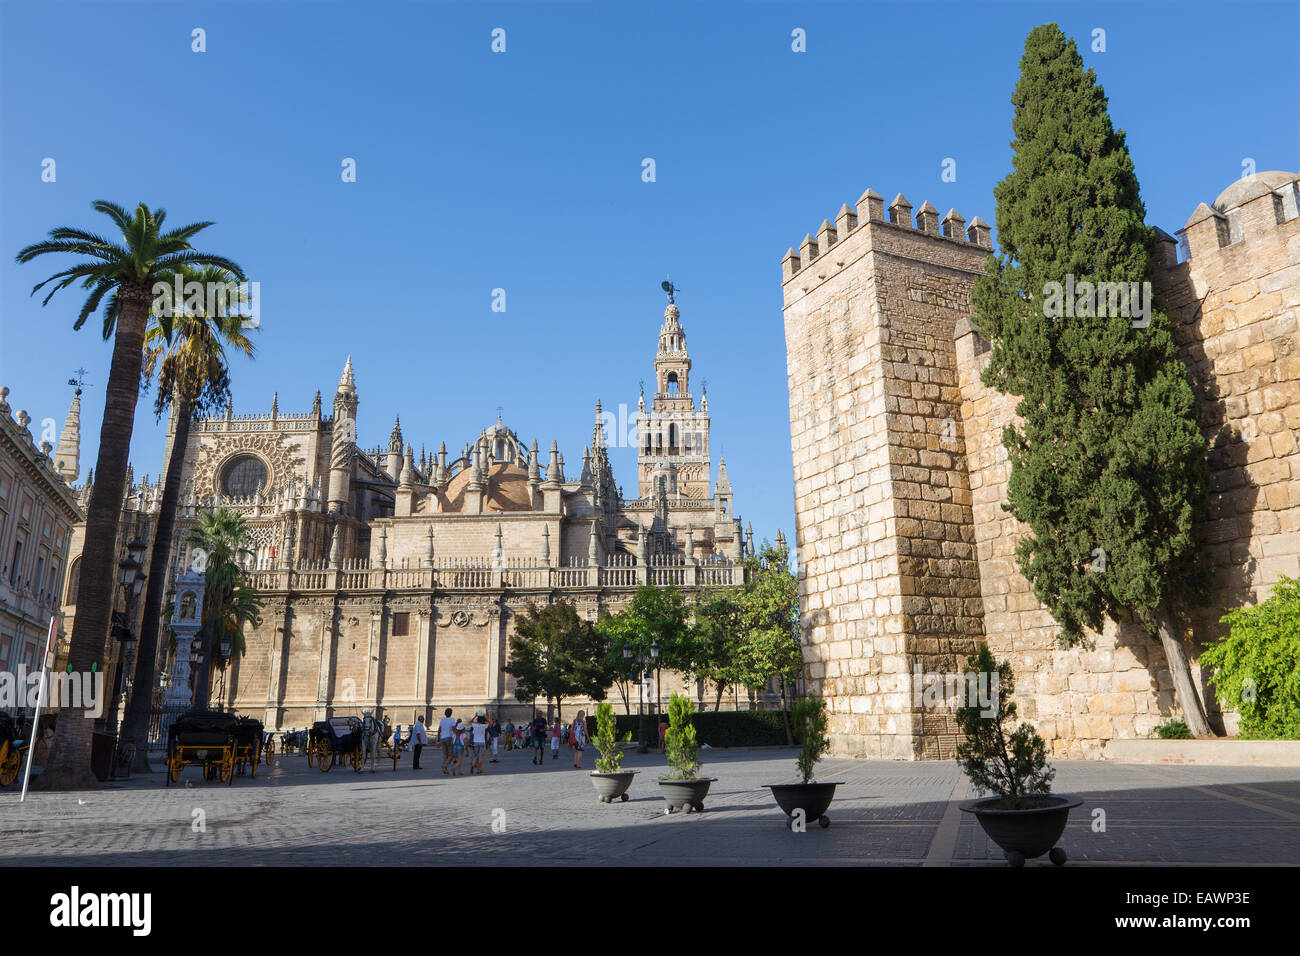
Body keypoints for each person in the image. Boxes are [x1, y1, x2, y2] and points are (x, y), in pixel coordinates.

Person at [438, 707, 457, 775]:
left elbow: (439, 730)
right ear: (451, 713)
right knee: (451, 755)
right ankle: (445, 765)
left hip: (442, 738)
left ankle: (445, 769)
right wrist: (456, 737)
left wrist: (438, 740)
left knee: (445, 755)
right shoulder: (452, 720)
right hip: (449, 738)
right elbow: (453, 729)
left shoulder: (442, 720)